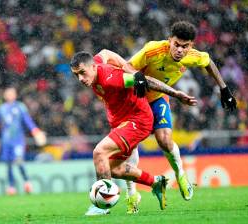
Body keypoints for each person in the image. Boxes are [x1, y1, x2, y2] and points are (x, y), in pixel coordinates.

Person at [102, 20, 237, 210]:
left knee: (164, 140)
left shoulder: (193, 56)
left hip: (158, 98)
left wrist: (224, 89)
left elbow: (209, 62)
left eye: (185, 46)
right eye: (176, 45)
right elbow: (127, 66)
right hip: (134, 99)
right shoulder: (153, 50)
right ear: (169, 41)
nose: (180, 50)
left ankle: (180, 174)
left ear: (191, 46)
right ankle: (132, 195)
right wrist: (138, 76)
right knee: (129, 147)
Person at [70, 51, 197, 215]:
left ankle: (102, 206)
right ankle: (156, 183)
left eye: (82, 73)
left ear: (93, 67)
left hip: (138, 121)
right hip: (122, 123)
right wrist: (126, 66)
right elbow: (105, 53)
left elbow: (145, 80)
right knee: (111, 168)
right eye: (76, 75)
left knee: (99, 152)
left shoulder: (111, 78)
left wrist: (176, 94)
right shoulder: (94, 64)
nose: (80, 78)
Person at [0, 86, 46, 195]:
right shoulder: (1, 108)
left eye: (12, 93)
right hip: (6, 141)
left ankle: (27, 181)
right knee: (8, 163)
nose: (10, 95)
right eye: (8, 93)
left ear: (15, 95)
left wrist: (36, 131)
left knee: (18, 160)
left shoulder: (21, 107)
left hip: (18, 140)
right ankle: (11, 186)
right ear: (5, 95)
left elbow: (28, 120)